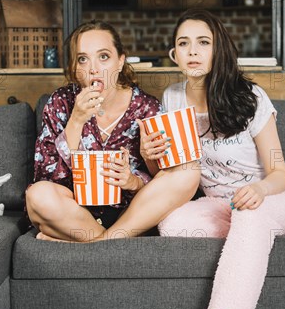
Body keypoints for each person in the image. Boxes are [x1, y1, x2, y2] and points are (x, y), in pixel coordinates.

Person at [155, 9, 285, 309]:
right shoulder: (172, 97)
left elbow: (279, 174)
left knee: (250, 214)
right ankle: (270, 236)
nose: (193, 52)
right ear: (175, 54)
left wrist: (258, 189)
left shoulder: (251, 97)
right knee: (170, 224)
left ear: (219, 50)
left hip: (272, 197)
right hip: (218, 204)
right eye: (183, 44)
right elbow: (170, 169)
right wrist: (152, 152)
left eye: (203, 42)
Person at [26, 20, 199, 243]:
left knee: (189, 171)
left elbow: (165, 181)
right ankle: (111, 242)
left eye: (104, 56)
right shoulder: (61, 102)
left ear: (120, 61)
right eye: (83, 59)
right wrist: (76, 121)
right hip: (75, 214)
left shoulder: (147, 107)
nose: (93, 68)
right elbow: (46, 177)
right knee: (37, 195)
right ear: (75, 69)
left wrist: (133, 181)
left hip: (130, 215)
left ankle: (97, 242)